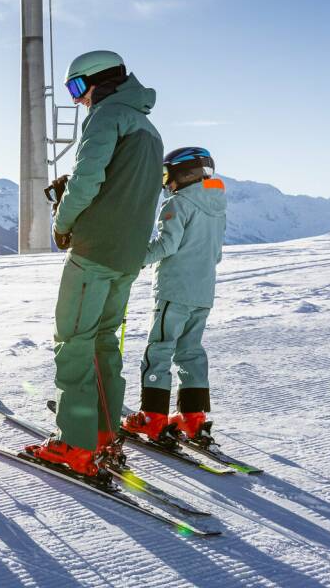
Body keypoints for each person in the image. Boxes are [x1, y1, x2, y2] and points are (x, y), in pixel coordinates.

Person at [27, 50, 164, 480]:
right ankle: (104, 433)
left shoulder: (107, 116)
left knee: (74, 342)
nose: (76, 100)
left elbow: (88, 180)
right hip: (127, 256)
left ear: (97, 81)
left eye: (76, 88)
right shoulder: (147, 126)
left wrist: (63, 223)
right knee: (105, 341)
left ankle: (76, 444)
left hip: (95, 252)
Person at [121, 147, 226, 444]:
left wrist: (136, 257)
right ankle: (193, 418)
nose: (165, 182)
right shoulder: (217, 207)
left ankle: (152, 417)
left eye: (166, 174)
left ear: (183, 172)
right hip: (203, 291)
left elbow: (166, 245)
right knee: (190, 350)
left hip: (175, 290)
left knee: (160, 349)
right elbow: (215, 253)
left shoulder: (177, 204)